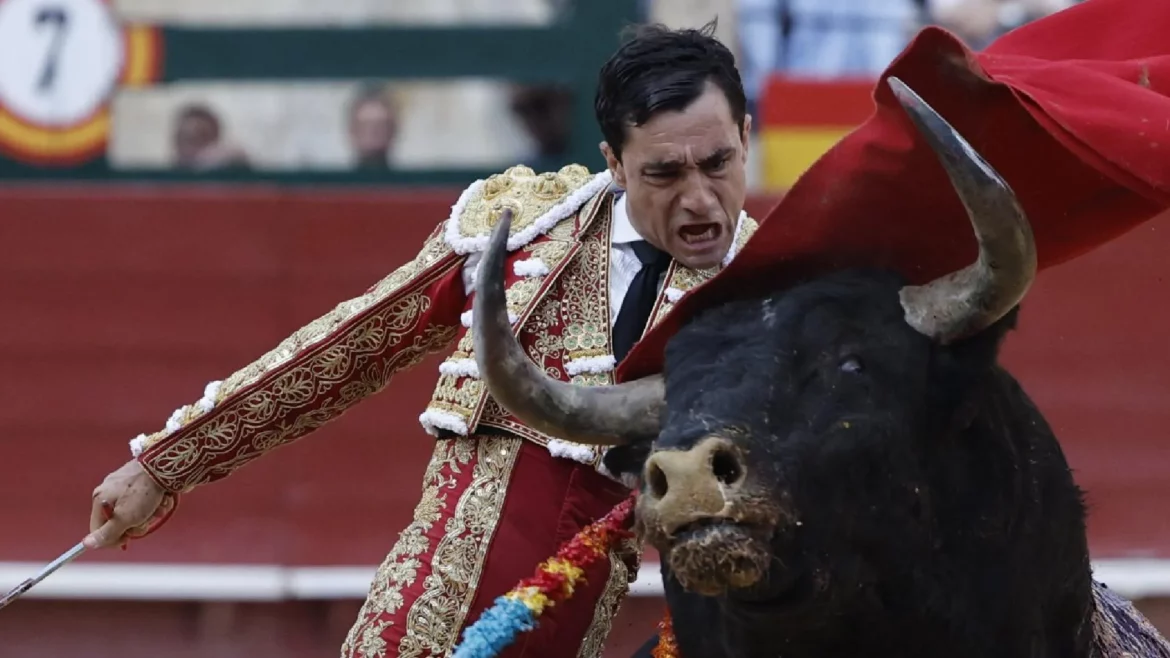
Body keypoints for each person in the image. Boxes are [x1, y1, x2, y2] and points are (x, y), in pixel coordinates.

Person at [85, 20, 761, 658]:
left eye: (717, 164)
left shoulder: (775, 300)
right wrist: (167, 462)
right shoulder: (525, 230)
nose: (701, 199)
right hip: (412, 628)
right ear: (615, 163)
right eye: (665, 174)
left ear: (747, 139)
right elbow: (348, 349)